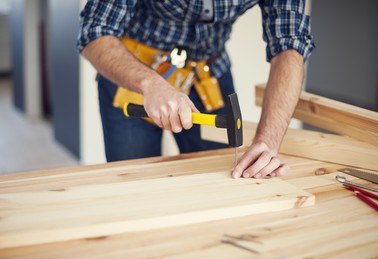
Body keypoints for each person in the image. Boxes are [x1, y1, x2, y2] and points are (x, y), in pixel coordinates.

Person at [77, 0, 315, 179]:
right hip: (135, 74)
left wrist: (268, 142)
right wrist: (152, 84)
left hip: (208, 75)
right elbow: (95, 30)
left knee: (224, 180)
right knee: (134, 184)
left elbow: (290, 44)